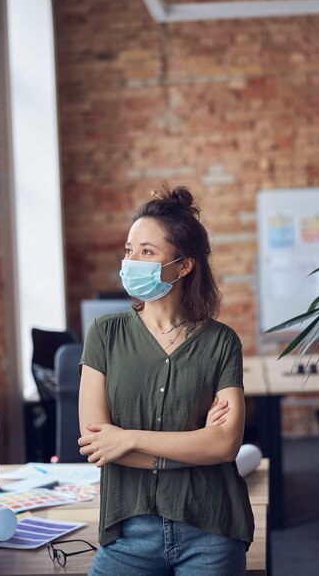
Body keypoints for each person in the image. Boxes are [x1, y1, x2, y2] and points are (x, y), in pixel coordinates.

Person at [78, 185, 254, 576]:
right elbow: (96, 443)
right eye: (129, 250)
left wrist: (129, 437)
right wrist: (192, 447)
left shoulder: (221, 342)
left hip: (210, 528)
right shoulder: (104, 334)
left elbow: (224, 445)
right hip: (128, 531)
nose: (132, 261)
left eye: (147, 251)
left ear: (184, 265)